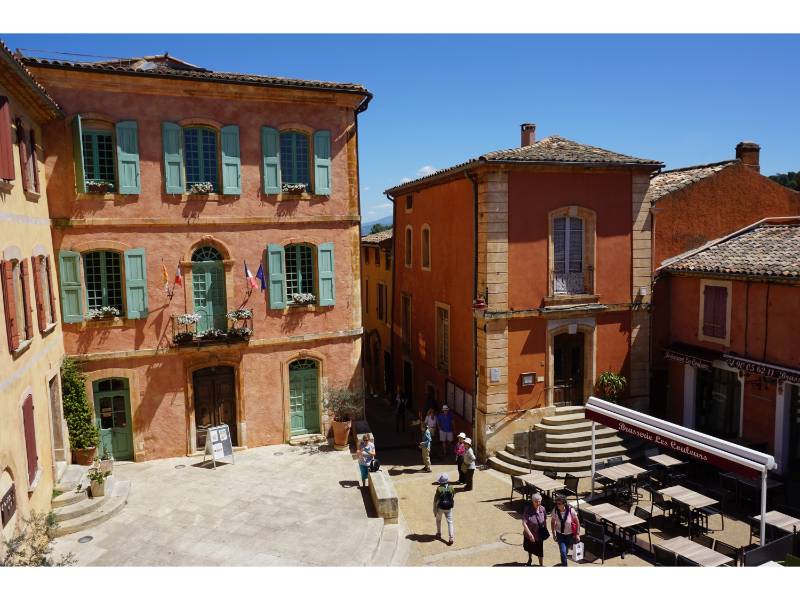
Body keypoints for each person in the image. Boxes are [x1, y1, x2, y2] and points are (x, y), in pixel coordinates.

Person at [551, 495, 581, 566]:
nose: (557, 505)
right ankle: (565, 565)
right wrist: (553, 534)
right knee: (563, 552)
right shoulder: (555, 510)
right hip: (560, 534)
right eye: (557, 503)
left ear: (564, 504)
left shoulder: (571, 510)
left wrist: (577, 534)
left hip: (570, 535)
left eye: (559, 504)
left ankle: (563, 560)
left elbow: (577, 522)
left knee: (565, 550)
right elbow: (552, 522)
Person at [522, 493, 548, 566]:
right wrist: (530, 535)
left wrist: (545, 529)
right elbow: (524, 523)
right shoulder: (528, 509)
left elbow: (545, 519)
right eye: (536, 501)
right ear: (532, 501)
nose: (538, 503)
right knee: (529, 548)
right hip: (529, 534)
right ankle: (530, 559)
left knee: (540, 552)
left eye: (539, 501)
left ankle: (541, 565)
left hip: (539, 535)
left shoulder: (543, 509)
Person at [433, 473, 455, 545]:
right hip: (449, 507)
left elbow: (435, 500)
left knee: (438, 520)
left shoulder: (439, 488)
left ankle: (439, 533)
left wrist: (434, 510)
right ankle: (451, 538)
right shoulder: (451, 487)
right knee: (450, 522)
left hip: (440, 507)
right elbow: (453, 496)